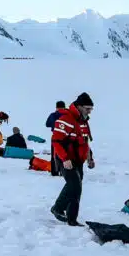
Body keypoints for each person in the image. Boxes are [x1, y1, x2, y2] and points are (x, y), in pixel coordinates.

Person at [50, 93, 95, 226]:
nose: (89, 111)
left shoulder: (84, 122)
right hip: (65, 158)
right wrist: (65, 159)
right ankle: (57, 208)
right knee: (74, 184)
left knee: (77, 188)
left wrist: (89, 158)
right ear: (79, 106)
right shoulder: (66, 119)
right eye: (87, 108)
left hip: (78, 160)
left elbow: (85, 142)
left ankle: (72, 219)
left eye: (91, 109)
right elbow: (56, 141)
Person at [46, 100, 67, 176]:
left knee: (54, 154)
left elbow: (47, 124)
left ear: (56, 107)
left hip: (55, 136)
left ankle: (54, 171)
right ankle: (63, 171)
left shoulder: (53, 115)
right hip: (66, 138)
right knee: (64, 154)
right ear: (64, 107)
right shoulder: (68, 115)